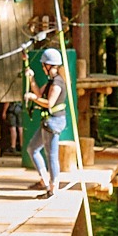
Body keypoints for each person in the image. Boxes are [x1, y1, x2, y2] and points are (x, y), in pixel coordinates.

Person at [24, 41, 73, 187]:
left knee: (51, 155)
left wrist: (34, 98)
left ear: (49, 65)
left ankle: (53, 186)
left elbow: (49, 103)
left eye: (43, 65)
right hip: (48, 122)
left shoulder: (58, 83)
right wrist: (31, 78)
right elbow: (39, 92)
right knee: (32, 149)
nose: (42, 68)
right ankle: (45, 179)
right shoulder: (52, 81)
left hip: (54, 121)